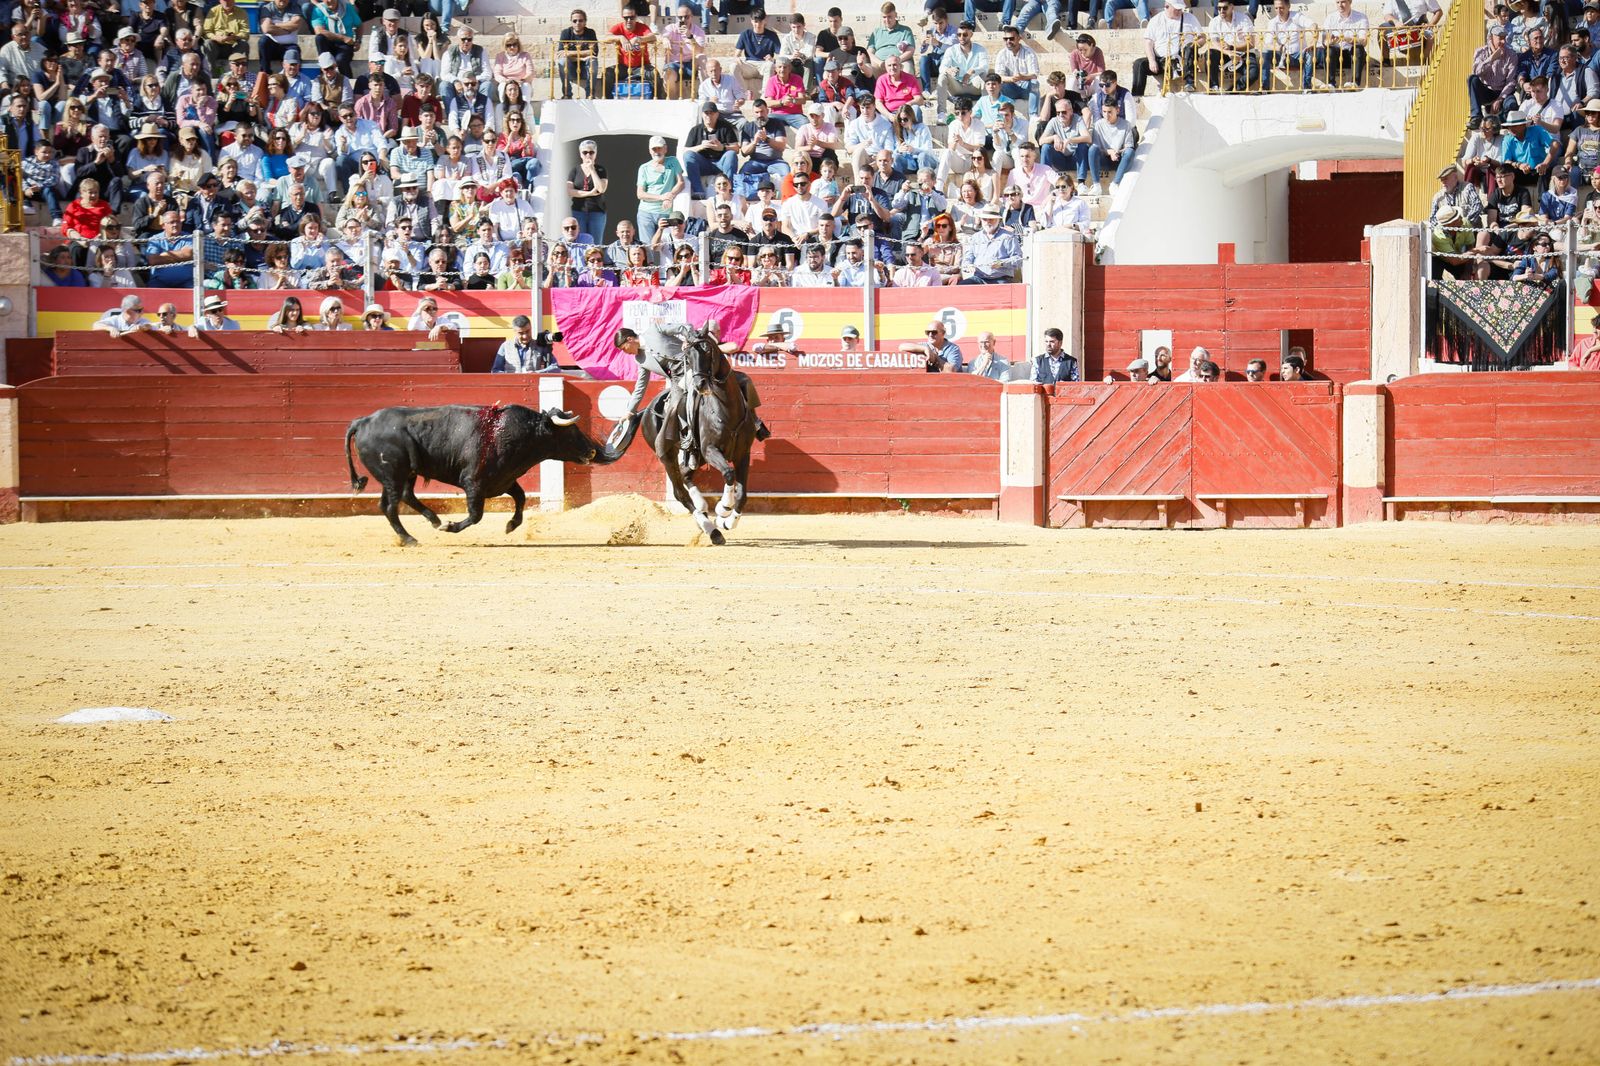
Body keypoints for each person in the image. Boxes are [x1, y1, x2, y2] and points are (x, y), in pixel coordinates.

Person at [490, 315, 556, 373]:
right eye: (521, 333)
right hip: (512, 386)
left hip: (533, 385)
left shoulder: (539, 345)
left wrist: (537, 373)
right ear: (514, 331)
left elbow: (555, 368)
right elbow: (496, 371)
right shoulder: (506, 346)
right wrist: (508, 377)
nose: (525, 336)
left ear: (531, 328)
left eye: (527, 331)